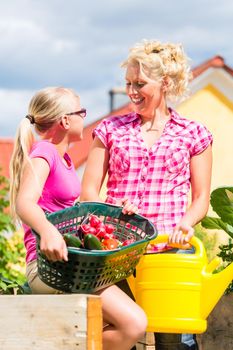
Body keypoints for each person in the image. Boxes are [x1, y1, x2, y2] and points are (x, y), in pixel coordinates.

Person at [80, 40, 213, 350]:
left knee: (174, 340)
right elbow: (88, 192)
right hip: (117, 251)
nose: (132, 91)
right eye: (128, 83)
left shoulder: (194, 133)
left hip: (168, 249)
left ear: (165, 83)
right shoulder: (110, 130)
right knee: (114, 335)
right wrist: (111, 210)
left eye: (140, 83)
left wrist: (186, 224)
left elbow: (201, 198)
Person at [9, 86, 147, 350]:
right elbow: (24, 203)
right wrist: (47, 231)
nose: (85, 116)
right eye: (81, 112)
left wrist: (116, 207)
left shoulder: (66, 160)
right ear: (65, 120)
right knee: (133, 324)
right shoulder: (45, 153)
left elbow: (76, 210)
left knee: (117, 327)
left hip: (70, 266)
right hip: (50, 268)